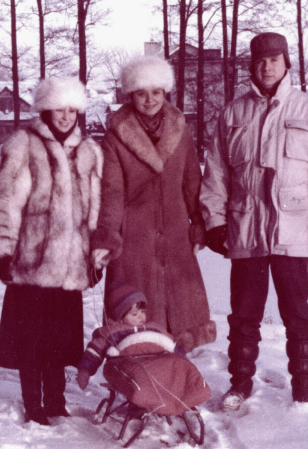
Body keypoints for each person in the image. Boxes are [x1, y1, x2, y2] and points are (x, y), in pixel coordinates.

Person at [200, 32, 308, 409]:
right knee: (244, 315)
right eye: (260, 61)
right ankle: (240, 384)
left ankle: (303, 385)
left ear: (286, 64)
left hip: (293, 231)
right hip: (245, 229)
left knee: (297, 314)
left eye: (274, 60)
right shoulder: (233, 113)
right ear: (252, 66)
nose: (267, 68)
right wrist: (215, 221)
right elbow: (216, 174)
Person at [0, 76, 103, 426]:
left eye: (71, 111)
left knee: (60, 342)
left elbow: (95, 209)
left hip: (70, 268)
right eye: (58, 110)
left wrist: (95, 256)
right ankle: (33, 404)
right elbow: (4, 200)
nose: (65, 117)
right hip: (31, 263)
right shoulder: (24, 145)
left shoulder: (89, 152)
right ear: (45, 111)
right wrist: (2, 251)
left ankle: (56, 401)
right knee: (31, 342)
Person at [91, 55, 216, 353]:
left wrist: (198, 223)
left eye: (156, 92)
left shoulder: (180, 130)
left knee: (181, 312)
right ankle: (140, 370)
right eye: (141, 93)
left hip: (175, 234)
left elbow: (192, 181)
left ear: (165, 92)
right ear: (130, 95)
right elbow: (112, 193)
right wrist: (108, 238)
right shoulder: (115, 138)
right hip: (135, 239)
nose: (150, 100)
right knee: (136, 315)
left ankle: (176, 370)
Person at [76, 282, 211, 417]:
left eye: (143, 312)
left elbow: (174, 346)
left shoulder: (155, 328)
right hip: (127, 364)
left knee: (179, 363)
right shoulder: (111, 332)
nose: (141, 317)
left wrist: (184, 362)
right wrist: (85, 371)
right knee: (140, 375)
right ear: (120, 317)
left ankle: (189, 393)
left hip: (157, 364)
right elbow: (94, 351)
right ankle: (146, 402)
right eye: (134, 314)